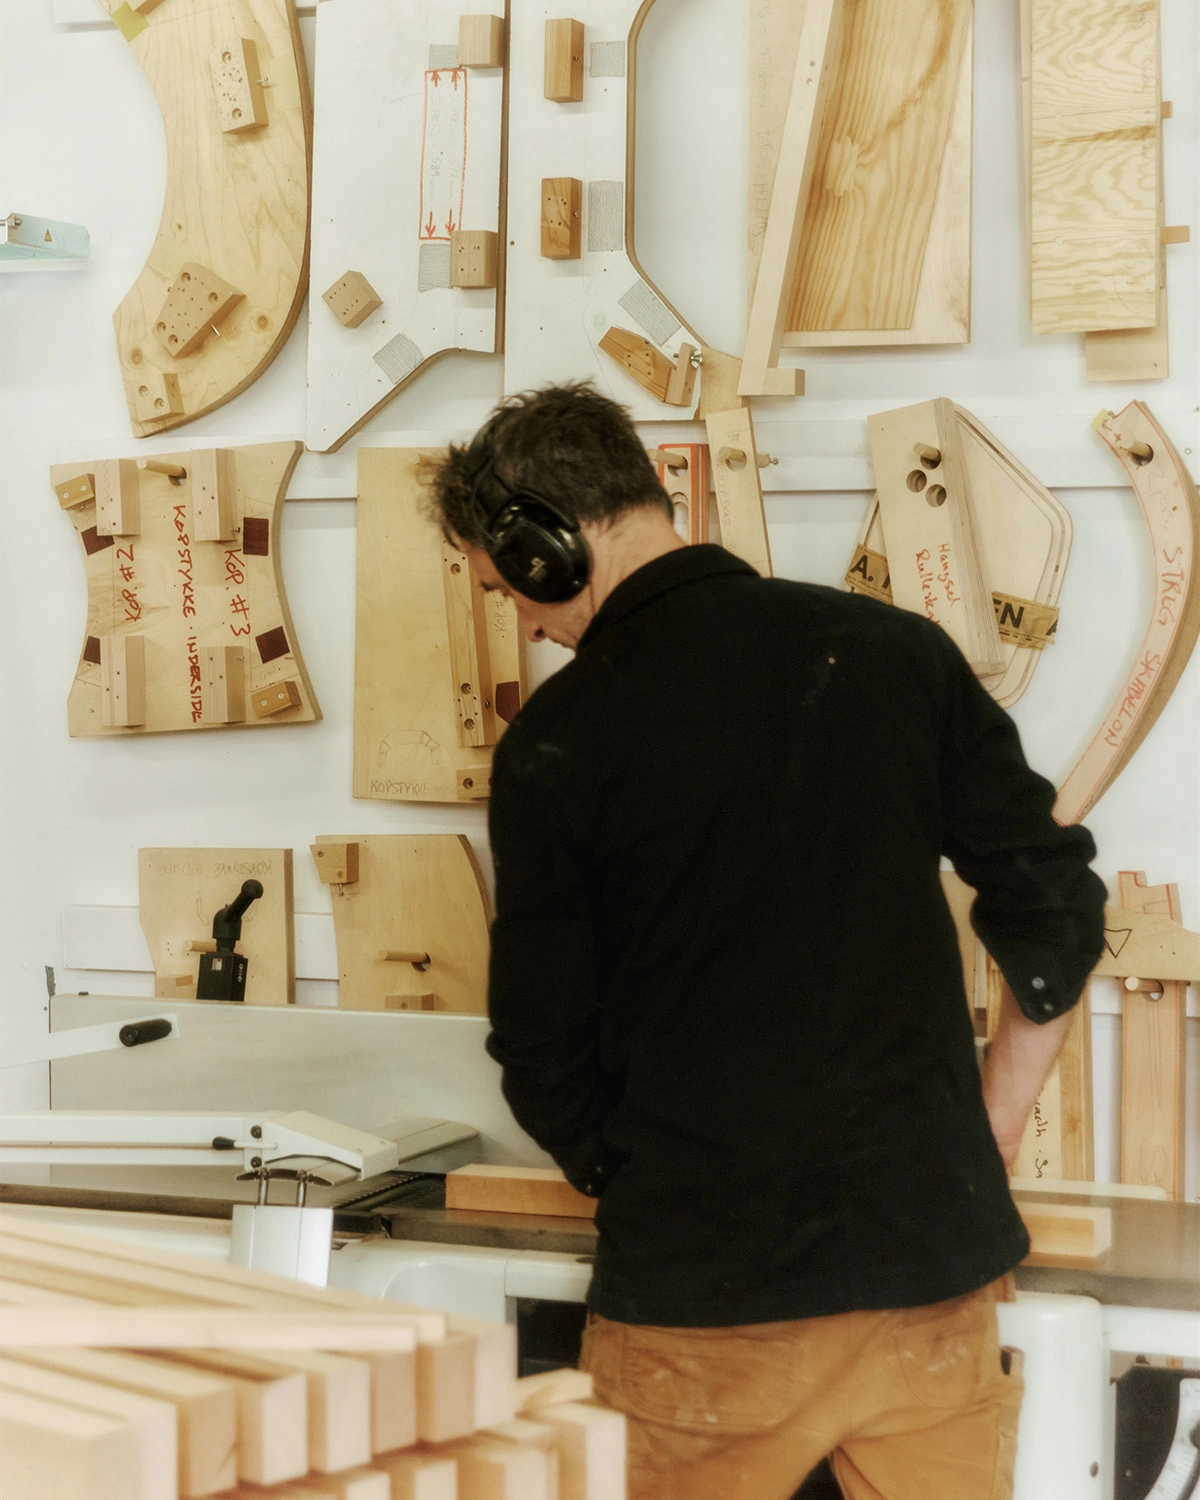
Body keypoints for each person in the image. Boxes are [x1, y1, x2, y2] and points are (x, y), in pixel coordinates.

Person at [428, 383, 1108, 1500]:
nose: (529, 623)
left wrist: (644, 1180)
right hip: (929, 1282)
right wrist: (987, 1126)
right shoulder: (894, 653)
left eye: (509, 590)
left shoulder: (560, 740)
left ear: (546, 547)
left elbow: (542, 1051)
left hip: (705, 1307)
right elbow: (1056, 906)